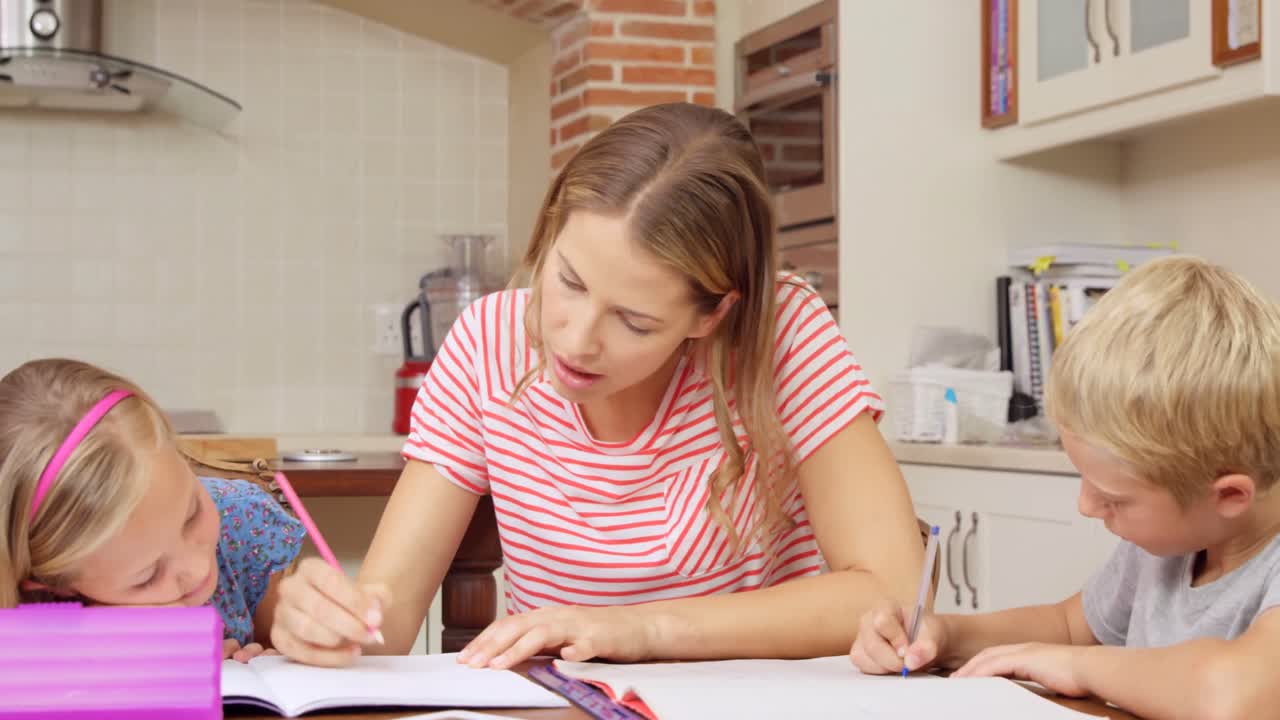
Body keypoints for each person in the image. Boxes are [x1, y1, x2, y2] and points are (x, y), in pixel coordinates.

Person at [271, 102, 923, 669]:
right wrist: (321, 616)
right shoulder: (486, 344)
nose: (577, 340)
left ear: (710, 315)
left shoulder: (779, 333)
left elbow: (889, 592)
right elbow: (385, 619)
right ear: (552, 228)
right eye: (570, 281)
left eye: (635, 321)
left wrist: (642, 630)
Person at [850, 256, 1280, 719]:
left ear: (1229, 496)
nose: (1086, 505)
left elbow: (1238, 697)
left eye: (1113, 498)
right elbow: (1070, 627)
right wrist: (944, 636)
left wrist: (1083, 667)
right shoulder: (1173, 542)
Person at [0, 358, 305, 662]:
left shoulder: (236, 519)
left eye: (191, 516)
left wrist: (304, 639)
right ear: (58, 585)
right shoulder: (20, 618)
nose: (197, 569)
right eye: (146, 576)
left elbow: (284, 644)